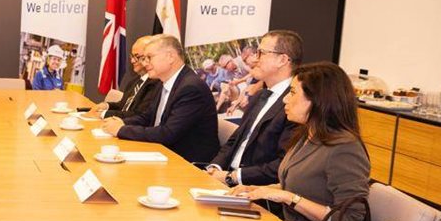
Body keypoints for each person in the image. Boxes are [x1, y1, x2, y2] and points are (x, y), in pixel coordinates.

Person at [230, 62, 371, 221]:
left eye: (292, 92)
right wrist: (256, 190)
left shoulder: (345, 148)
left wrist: (290, 198)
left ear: (317, 100)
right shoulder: (306, 134)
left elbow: (349, 220)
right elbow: (295, 186)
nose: (285, 99)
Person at [100, 35, 218, 163]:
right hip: (162, 152)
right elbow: (147, 117)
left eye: (149, 57)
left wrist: (121, 130)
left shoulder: (191, 88)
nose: (144, 63)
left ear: (170, 57)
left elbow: (168, 133)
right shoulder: (164, 82)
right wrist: (122, 122)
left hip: (186, 163)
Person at [206, 30, 303, 187]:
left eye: (261, 53)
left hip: (255, 189)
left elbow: (283, 164)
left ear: (282, 60)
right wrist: (214, 167)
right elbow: (235, 140)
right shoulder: (260, 96)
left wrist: (233, 177)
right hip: (225, 179)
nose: (254, 59)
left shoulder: (297, 104)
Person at [95, 35, 161, 119]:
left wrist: (103, 114)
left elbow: (139, 115)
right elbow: (123, 106)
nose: (132, 61)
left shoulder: (155, 84)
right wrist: (106, 105)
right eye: (132, 56)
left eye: (137, 57)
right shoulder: (134, 81)